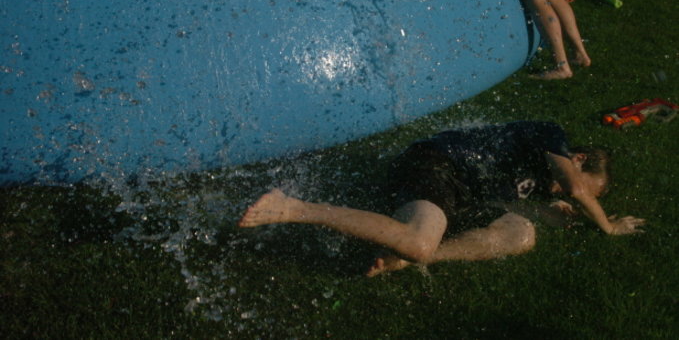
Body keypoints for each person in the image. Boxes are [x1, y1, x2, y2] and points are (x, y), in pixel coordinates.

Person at [239, 121, 645, 277]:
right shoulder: (552, 135)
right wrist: (608, 227)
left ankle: (407, 259)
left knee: (522, 235)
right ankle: (294, 207)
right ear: (578, 159)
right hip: (436, 166)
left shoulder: (541, 180)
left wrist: (547, 211)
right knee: (418, 240)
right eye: (586, 188)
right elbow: (574, 188)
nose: (575, 196)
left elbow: (511, 200)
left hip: (461, 196)